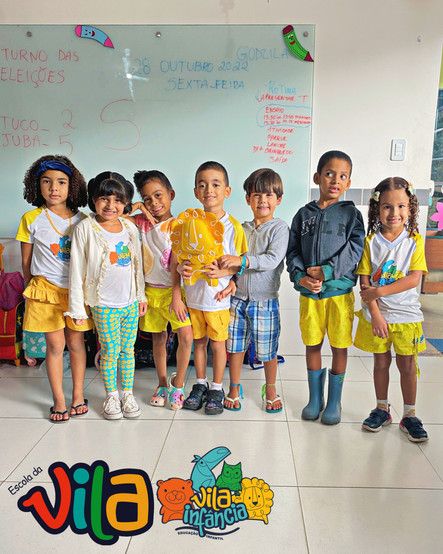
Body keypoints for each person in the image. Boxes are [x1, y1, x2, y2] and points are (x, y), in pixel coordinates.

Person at [286, 150, 365, 424]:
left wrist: (328, 271)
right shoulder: (302, 215)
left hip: (340, 294)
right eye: (330, 174)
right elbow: (293, 251)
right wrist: (300, 278)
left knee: (339, 346)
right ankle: (315, 399)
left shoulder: (352, 214)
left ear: (348, 182)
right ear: (317, 177)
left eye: (342, 176)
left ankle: (334, 402)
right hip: (310, 295)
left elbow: (356, 249)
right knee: (312, 344)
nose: (335, 180)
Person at [16, 155, 92, 422]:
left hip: (75, 292)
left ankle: (78, 395)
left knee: (76, 342)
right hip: (44, 290)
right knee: (56, 345)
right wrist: (31, 287)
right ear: (37, 186)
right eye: (46, 182)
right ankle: (59, 399)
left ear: (72, 186)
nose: (54, 188)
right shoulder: (31, 218)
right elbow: (26, 260)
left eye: (61, 182)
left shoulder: (83, 220)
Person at [66, 172, 147, 420]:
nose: (111, 205)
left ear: (126, 202)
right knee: (110, 351)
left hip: (130, 302)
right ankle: (111, 396)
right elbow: (76, 270)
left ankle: (127, 395)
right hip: (103, 304)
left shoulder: (130, 228)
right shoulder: (85, 229)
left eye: (118, 200)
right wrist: (77, 309)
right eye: (104, 199)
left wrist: (141, 296)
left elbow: (137, 265)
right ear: (93, 199)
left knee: (128, 350)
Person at [354, 177, 428, 442]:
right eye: (387, 206)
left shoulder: (414, 241)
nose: (394, 212)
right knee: (381, 362)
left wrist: (379, 292)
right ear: (377, 208)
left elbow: (413, 279)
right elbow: (364, 283)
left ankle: (409, 415)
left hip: (407, 316)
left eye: (401, 206)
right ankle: (382, 409)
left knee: (407, 365)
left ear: (410, 208)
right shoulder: (370, 242)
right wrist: (375, 313)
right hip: (378, 317)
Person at [179, 161, 248, 415]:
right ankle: (200, 384)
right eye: (202, 185)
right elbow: (180, 257)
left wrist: (226, 274)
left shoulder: (234, 227)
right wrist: (181, 268)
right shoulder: (188, 223)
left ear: (227, 191)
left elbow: (241, 262)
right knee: (199, 343)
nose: (209, 189)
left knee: (218, 345)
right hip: (194, 297)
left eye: (216, 184)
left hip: (217, 299)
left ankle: (217, 388)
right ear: (196, 192)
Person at [218, 168, 289, 413]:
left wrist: (243, 260)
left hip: (265, 301)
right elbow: (232, 262)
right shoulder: (240, 228)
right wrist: (232, 280)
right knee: (234, 346)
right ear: (248, 199)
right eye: (257, 195)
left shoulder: (279, 229)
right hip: (237, 299)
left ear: (278, 199)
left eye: (269, 195)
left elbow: (271, 260)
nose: (263, 200)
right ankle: (234, 388)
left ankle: (270, 389)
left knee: (268, 350)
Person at [128, 170, 193, 410]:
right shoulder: (141, 222)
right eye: (147, 199)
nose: (154, 203)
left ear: (171, 194)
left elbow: (176, 262)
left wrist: (177, 297)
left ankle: (178, 385)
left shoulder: (180, 225)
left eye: (158, 195)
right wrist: (137, 207)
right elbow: (116, 215)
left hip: (174, 291)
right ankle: (163, 383)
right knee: (158, 338)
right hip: (150, 292)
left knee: (186, 336)